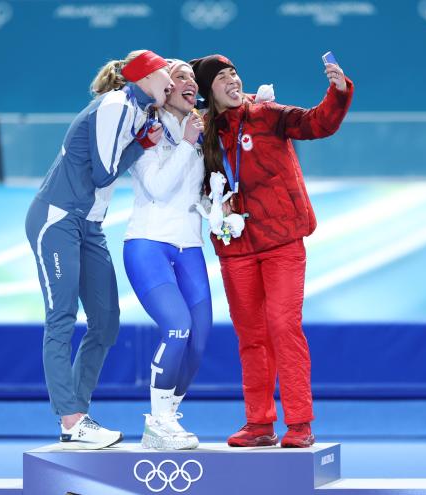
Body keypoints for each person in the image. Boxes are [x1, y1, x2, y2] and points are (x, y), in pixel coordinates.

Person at [190, 54, 353, 448]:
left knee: (284, 327)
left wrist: (338, 91)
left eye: (235, 73)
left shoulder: (265, 114)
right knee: (251, 336)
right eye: (222, 77)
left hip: (281, 240)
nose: (233, 80)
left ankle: (299, 424)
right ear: (207, 89)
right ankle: (259, 424)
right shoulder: (201, 130)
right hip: (236, 246)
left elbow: (317, 123)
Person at [24, 50, 173, 450]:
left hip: (89, 225)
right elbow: (103, 172)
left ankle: (78, 417)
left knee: (106, 322)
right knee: (61, 317)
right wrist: (141, 145)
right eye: (165, 75)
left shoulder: (141, 110)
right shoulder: (114, 104)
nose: (171, 83)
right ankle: (71, 418)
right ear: (143, 76)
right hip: (56, 218)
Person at [122, 59, 210, 450]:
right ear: (164, 88)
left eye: (193, 77)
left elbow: (198, 191)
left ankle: (169, 416)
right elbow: (157, 187)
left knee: (199, 340)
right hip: (148, 242)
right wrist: (188, 142)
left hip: (190, 244)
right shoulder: (145, 127)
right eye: (180, 76)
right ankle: (156, 423)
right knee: (177, 327)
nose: (190, 82)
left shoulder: (201, 129)